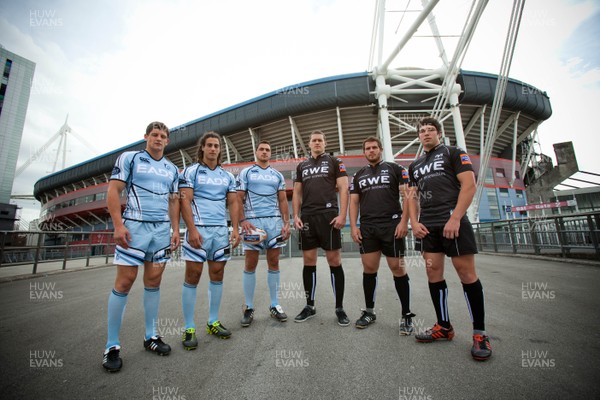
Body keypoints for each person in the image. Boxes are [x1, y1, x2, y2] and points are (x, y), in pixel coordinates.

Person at [407, 116, 492, 361]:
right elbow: (411, 197)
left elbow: (469, 186)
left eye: (430, 130)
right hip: (428, 226)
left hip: (452, 221)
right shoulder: (415, 165)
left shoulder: (455, 153)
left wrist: (455, 218)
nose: (425, 133)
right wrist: (414, 222)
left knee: (466, 274)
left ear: (439, 133)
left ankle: (479, 333)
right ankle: (444, 326)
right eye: (422, 131)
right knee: (433, 274)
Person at [103, 121, 180, 372]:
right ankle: (112, 346)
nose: (158, 139)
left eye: (163, 136)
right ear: (146, 137)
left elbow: (174, 200)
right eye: (154, 134)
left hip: (160, 231)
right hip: (134, 227)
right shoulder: (130, 158)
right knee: (125, 281)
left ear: (167, 141)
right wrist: (117, 224)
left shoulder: (172, 168)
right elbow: (114, 190)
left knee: (154, 281)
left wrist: (174, 230)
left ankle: (151, 337)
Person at [179, 131, 241, 350]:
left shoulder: (227, 176)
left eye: (217, 145)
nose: (213, 148)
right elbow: (185, 202)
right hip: (198, 231)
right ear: (202, 148)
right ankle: (188, 328)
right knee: (193, 275)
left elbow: (233, 203)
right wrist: (191, 229)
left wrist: (234, 228)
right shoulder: (191, 171)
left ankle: (213, 322)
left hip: (220, 233)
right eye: (210, 145)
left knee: (217, 274)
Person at [349, 136, 415, 334]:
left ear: (381, 149)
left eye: (374, 147)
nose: (371, 151)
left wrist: (405, 222)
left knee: (398, 268)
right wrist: (354, 226)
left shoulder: (395, 169)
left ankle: (406, 315)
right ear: (364, 152)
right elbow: (354, 203)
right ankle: (369, 312)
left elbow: (407, 196)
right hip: (368, 227)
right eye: (367, 148)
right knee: (369, 268)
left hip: (392, 225)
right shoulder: (359, 175)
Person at [292, 130, 350, 326]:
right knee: (309, 261)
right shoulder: (302, 166)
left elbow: (343, 187)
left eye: (320, 140)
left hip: (329, 215)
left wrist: (342, 215)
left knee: (334, 260)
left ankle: (340, 308)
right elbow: (297, 192)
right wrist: (296, 216)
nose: (317, 143)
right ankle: (310, 306)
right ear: (309, 143)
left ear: (325, 143)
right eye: (314, 140)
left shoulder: (335, 162)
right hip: (308, 216)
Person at [236, 140, 291, 326]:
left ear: (270, 153)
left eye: (268, 150)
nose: (265, 152)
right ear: (256, 151)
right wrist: (242, 221)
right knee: (250, 262)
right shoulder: (246, 172)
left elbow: (283, 201)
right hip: (253, 223)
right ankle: (249, 307)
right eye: (262, 149)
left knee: (274, 262)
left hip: (274, 222)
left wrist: (286, 223)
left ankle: (275, 304)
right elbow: (238, 199)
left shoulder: (277, 175)